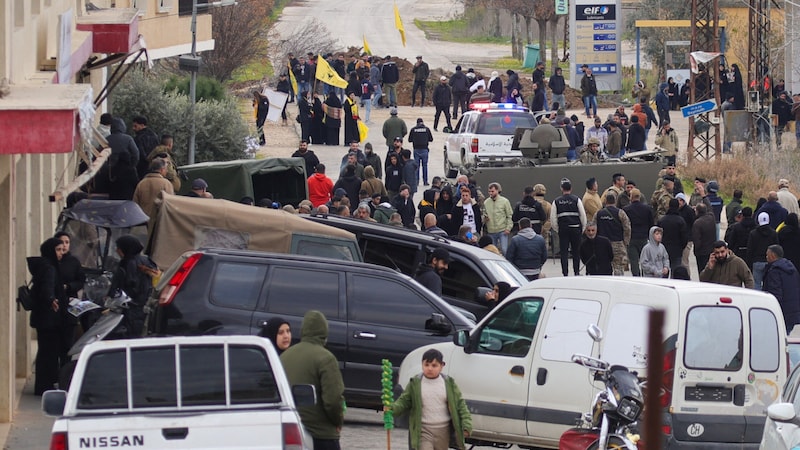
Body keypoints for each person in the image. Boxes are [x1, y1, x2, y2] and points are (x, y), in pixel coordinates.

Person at [281, 310, 345, 450]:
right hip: (321, 435)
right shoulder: (326, 358)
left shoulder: (285, 356)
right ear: (324, 331)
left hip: (293, 431)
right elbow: (333, 400)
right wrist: (338, 421)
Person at [391, 348, 472, 450]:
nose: (429, 369)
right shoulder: (415, 383)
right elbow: (404, 401)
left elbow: (460, 405)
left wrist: (466, 425)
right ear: (422, 364)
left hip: (443, 430)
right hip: (423, 429)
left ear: (442, 366)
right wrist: (392, 409)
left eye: (434, 365)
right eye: (426, 365)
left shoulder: (449, 383)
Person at [28, 238, 73, 395]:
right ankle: (44, 386)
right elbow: (47, 290)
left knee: (45, 352)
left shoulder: (43, 265)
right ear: (50, 251)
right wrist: (52, 300)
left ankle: (42, 385)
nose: (61, 253)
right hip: (49, 320)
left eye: (62, 249)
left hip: (43, 318)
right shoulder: (49, 268)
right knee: (49, 353)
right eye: (58, 250)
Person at [108, 235, 157, 336]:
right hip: (144, 307)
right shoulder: (146, 260)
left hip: (131, 309)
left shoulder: (129, 263)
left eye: (119, 248)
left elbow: (130, 287)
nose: (117, 251)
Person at [551, 178, 587, 277]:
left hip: (563, 229)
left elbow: (553, 219)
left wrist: (558, 229)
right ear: (571, 188)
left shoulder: (556, 201)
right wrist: (582, 228)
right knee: (576, 252)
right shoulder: (576, 199)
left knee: (564, 252)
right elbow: (583, 215)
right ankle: (576, 272)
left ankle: (565, 273)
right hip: (576, 229)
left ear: (561, 188)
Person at [763, 245, 800, 332]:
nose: (766, 257)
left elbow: (775, 294)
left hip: (781, 313)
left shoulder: (774, 271)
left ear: (772, 255)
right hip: (792, 312)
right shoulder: (791, 268)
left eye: (767, 255)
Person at [132, 158, 175, 231]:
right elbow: (171, 204)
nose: (167, 171)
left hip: (143, 223)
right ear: (162, 170)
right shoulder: (166, 184)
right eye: (165, 169)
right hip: (159, 223)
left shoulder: (141, 183)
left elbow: (135, 203)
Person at [595, 194, 631, 276]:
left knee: (604, 266)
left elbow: (593, 227)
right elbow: (627, 228)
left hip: (602, 245)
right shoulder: (620, 213)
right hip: (617, 243)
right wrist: (625, 242)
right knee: (618, 267)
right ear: (615, 201)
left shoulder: (599, 213)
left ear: (605, 201)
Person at [624, 188, 654, 276]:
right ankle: (645, 276)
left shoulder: (626, 209)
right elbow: (651, 224)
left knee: (634, 261)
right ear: (639, 197)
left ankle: (636, 276)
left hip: (632, 238)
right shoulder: (647, 208)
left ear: (631, 197)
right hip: (644, 237)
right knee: (645, 260)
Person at [748, 212, 779, 290]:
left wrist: (749, 263)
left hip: (757, 261)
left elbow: (750, 249)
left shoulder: (753, 233)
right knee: (769, 283)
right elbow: (777, 247)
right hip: (770, 261)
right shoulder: (773, 233)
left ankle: (757, 300)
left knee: (756, 283)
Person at [658, 198, 689, 270]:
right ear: (678, 206)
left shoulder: (662, 220)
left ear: (669, 206)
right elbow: (684, 237)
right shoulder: (681, 221)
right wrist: (681, 247)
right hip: (677, 250)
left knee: (664, 270)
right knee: (675, 271)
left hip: (664, 249)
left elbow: (658, 234)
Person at [483, 182, 513, 254]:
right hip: (491, 230)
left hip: (502, 230)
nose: (490, 193)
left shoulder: (505, 201)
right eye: (489, 191)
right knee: (493, 251)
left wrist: (508, 228)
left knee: (504, 249)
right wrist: (485, 218)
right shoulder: (486, 202)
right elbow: (484, 213)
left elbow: (510, 215)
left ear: (497, 190)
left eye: (492, 191)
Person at [132, 116, 160, 180]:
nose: (133, 128)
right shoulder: (154, 136)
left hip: (141, 168)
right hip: (154, 167)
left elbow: (139, 154)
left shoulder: (138, 138)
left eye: (135, 126)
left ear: (142, 125)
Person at [692, 203, 716, 273]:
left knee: (702, 272)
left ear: (697, 211)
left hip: (701, 252)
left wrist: (696, 252)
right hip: (711, 250)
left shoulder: (697, 223)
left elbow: (697, 240)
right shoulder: (712, 217)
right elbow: (710, 208)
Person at [410, 118, 434, 186]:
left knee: (416, 166)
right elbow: (431, 139)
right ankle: (425, 181)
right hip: (424, 150)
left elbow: (410, 139)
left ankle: (417, 181)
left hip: (416, 150)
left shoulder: (413, 129)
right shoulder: (427, 129)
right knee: (425, 166)